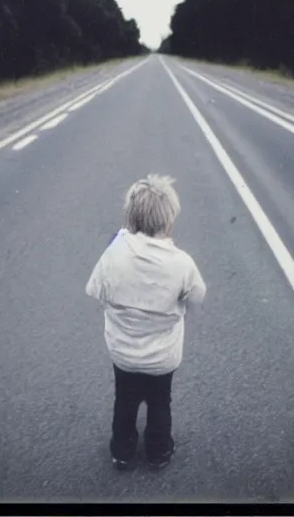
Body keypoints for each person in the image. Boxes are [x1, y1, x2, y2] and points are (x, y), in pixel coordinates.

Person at [85, 174, 206, 470]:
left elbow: (95, 291)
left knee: (124, 400)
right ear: (168, 219)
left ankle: (122, 450)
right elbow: (197, 297)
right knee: (160, 402)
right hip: (163, 356)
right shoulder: (182, 263)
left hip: (123, 352)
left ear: (130, 217)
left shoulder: (113, 254)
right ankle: (159, 451)